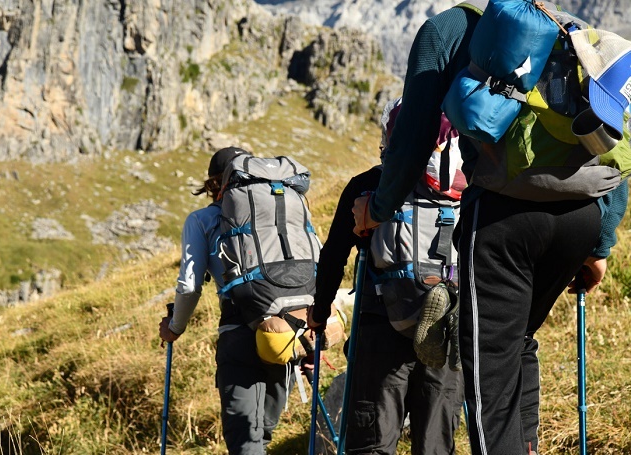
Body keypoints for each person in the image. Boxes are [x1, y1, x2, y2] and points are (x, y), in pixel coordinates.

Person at [350, 4, 629, 455]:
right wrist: (599, 243)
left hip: (503, 220)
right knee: (517, 345)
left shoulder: (447, 29)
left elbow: (413, 136)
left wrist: (378, 209)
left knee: (488, 388)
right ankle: (529, 443)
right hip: (581, 215)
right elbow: (610, 140)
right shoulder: (566, 29)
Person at [308, 99, 464, 455]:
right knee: (436, 444)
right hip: (448, 327)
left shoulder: (369, 186)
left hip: (381, 323)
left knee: (374, 442)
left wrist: (320, 312)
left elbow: (333, 256)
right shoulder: (467, 188)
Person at [159, 146, 295, 455]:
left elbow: (190, 286)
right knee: (262, 434)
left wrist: (175, 328)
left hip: (239, 331)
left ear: (211, 185)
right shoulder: (277, 209)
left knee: (245, 440)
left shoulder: (202, 220)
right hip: (286, 329)